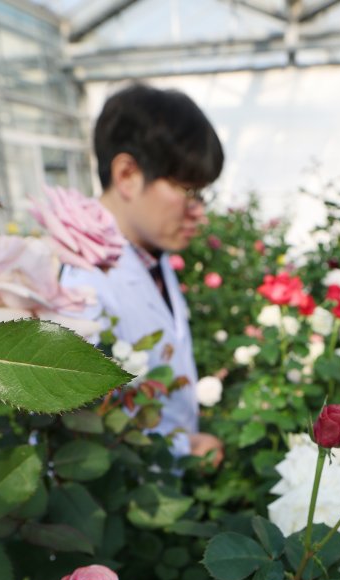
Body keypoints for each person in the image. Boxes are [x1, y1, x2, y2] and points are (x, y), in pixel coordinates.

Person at [63, 84, 224, 462]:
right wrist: (182, 448)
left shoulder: (151, 254)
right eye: (189, 191)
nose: (199, 211)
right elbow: (81, 432)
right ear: (128, 174)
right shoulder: (78, 286)